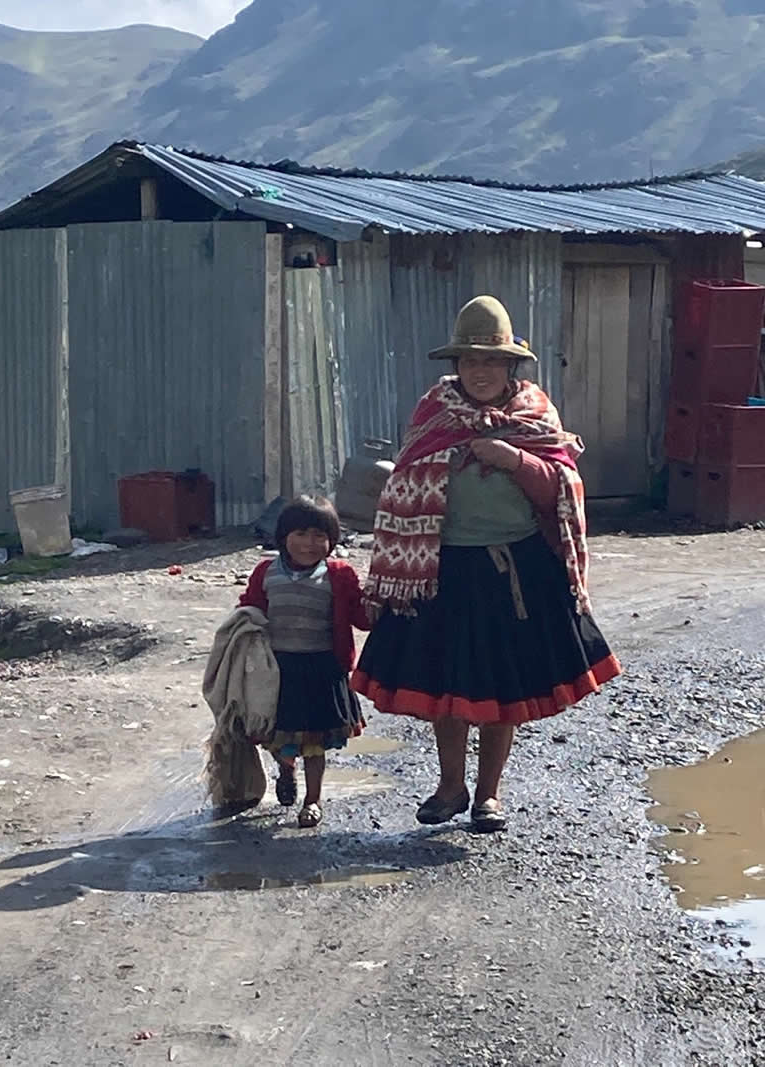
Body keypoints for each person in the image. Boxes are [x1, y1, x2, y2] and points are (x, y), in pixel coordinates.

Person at [352, 295, 621, 833]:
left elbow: (561, 489)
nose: (481, 370)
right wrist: (453, 458)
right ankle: (450, 786)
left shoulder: (534, 416)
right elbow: (404, 478)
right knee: (448, 688)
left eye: (492, 361)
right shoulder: (434, 414)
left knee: (506, 689)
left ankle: (488, 797)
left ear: (511, 367)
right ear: (456, 367)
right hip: (442, 569)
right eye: (471, 360)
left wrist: (512, 457)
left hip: (516, 571)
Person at [239, 496, 370, 828]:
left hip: (321, 669)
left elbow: (360, 616)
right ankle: (286, 769)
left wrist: (382, 601)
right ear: (284, 536)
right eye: (300, 534)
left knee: (314, 742)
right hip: (277, 671)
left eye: (318, 535)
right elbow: (249, 611)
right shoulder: (265, 572)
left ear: (331, 540)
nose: (309, 544)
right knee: (275, 735)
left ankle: (313, 800)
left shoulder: (339, 574)